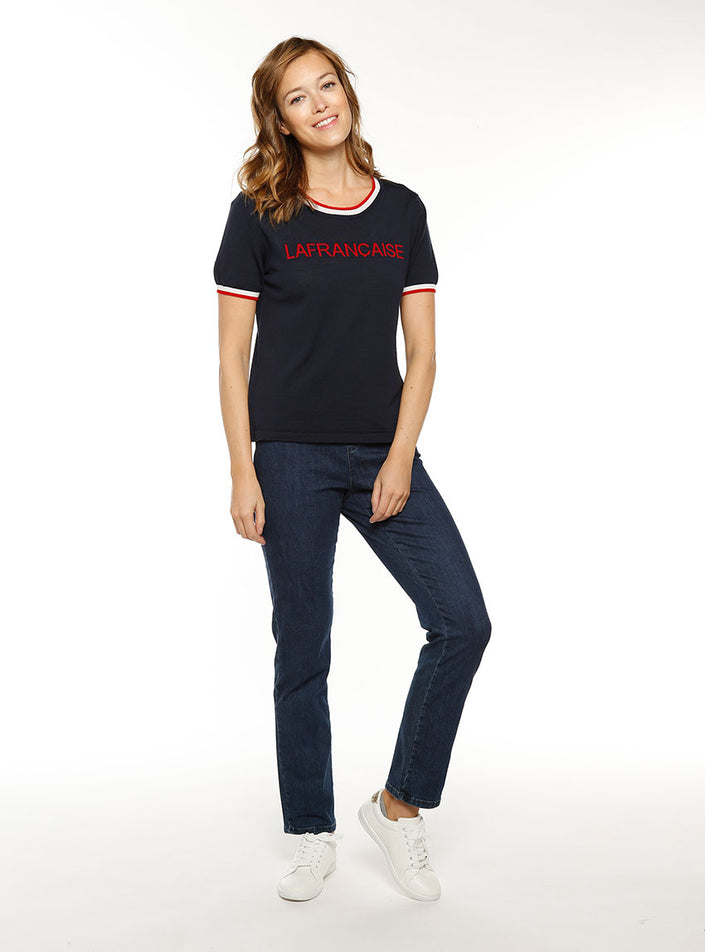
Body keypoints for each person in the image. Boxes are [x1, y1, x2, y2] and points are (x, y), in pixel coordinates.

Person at [213, 36, 492, 903]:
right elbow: (230, 360)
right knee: (302, 646)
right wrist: (243, 471)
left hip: (379, 449)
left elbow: (424, 353)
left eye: (326, 85)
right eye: (297, 97)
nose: (319, 104)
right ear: (280, 120)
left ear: (346, 91)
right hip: (288, 455)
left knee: (462, 622)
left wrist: (400, 455)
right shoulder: (258, 214)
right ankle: (310, 833)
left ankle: (397, 807)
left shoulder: (400, 211)